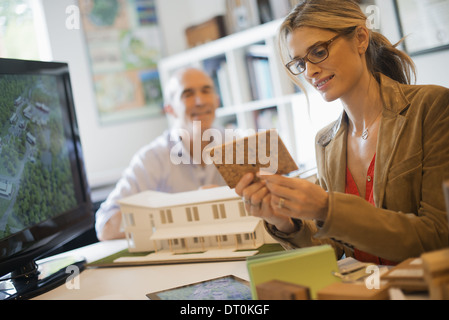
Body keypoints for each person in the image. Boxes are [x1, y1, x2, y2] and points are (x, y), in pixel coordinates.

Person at [236, 0, 449, 265]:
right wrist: (284, 222)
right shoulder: (325, 142)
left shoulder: (431, 107)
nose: (311, 71)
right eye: (300, 63)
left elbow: (438, 235)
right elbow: (333, 249)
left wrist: (327, 207)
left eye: (319, 51)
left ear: (360, 38)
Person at [96, 68, 226, 241]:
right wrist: (187, 211)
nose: (200, 101)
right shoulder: (151, 159)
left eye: (206, 91)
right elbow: (105, 226)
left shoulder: (239, 145)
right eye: (187, 94)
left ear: (217, 101)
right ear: (170, 109)